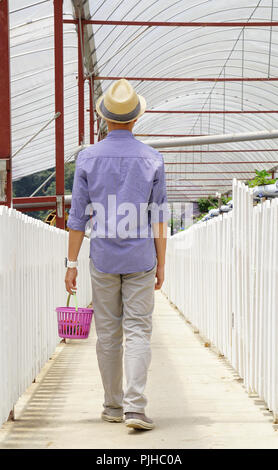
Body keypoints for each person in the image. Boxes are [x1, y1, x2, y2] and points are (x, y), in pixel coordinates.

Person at [65, 79, 169, 431]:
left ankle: (112, 405)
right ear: (135, 118)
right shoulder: (153, 158)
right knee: (139, 330)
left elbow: (77, 216)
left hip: (103, 257)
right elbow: (159, 217)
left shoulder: (87, 159)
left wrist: (71, 263)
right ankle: (136, 408)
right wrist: (161, 264)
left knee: (108, 333)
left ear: (104, 119)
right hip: (141, 257)